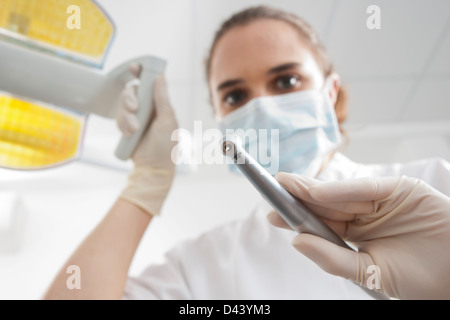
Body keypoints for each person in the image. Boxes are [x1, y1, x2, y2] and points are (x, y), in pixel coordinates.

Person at [43, 6, 450, 300]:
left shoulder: (434, 187)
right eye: (235, 95)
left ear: (329, 91)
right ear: (219, 117)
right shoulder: (203, 263)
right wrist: (147, 181)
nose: (264, 107)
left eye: (286, 80)